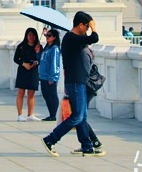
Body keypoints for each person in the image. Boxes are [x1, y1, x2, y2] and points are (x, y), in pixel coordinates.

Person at [42, 11, 104, 157]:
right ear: (80, 25)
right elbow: (94, 38)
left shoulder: (74, 39)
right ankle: (51, 139)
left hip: (77, 81)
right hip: (76, 82)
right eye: (87, 26)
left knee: (82, 116)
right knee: (77, 116)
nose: (88, 29)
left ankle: (87, 146)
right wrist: (94, 27)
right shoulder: (71, 38)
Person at [68, 45, 105, 154]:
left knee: (79, 117)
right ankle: (89, 143)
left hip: (84, 89)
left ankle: (92, 142)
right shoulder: (80, 52)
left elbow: (84, 73)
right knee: (80, 117)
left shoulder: (83, 53)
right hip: (82, 89)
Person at [14, 27, 42, 121]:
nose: (31, 37)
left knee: (31, 94)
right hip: (23, 71)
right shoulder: (21, 46)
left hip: (33, 71)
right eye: (29, 35)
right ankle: (20, 114)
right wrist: (23, 63)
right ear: (26, 36)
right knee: (21, 92)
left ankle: (30, 114)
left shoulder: (38, 47)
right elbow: (15, 59)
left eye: (33, 35)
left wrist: (36, 60)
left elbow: (40, 59)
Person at [38, 29, 62, 121]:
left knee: (52, 95)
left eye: (49, 36)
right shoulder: (47, 48)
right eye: (46, 36)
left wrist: (52, 77)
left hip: (50, 76)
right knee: (46, 95)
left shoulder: (55, 49)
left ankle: (54, 114)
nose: (47, 37)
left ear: (54, 37)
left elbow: (54, 63)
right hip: (43, 76)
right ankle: (51, 113)